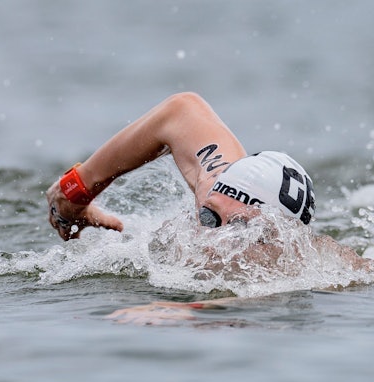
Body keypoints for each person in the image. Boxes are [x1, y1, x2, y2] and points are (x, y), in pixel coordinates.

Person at [46, 92, 372, 325]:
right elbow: (181, 110)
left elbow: (271, 296)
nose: (214, 240)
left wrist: (196, 309)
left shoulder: (306, 268)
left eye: (242, 229)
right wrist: (74, 191)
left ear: (278, 242)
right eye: (209, 217)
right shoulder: (214, 183)